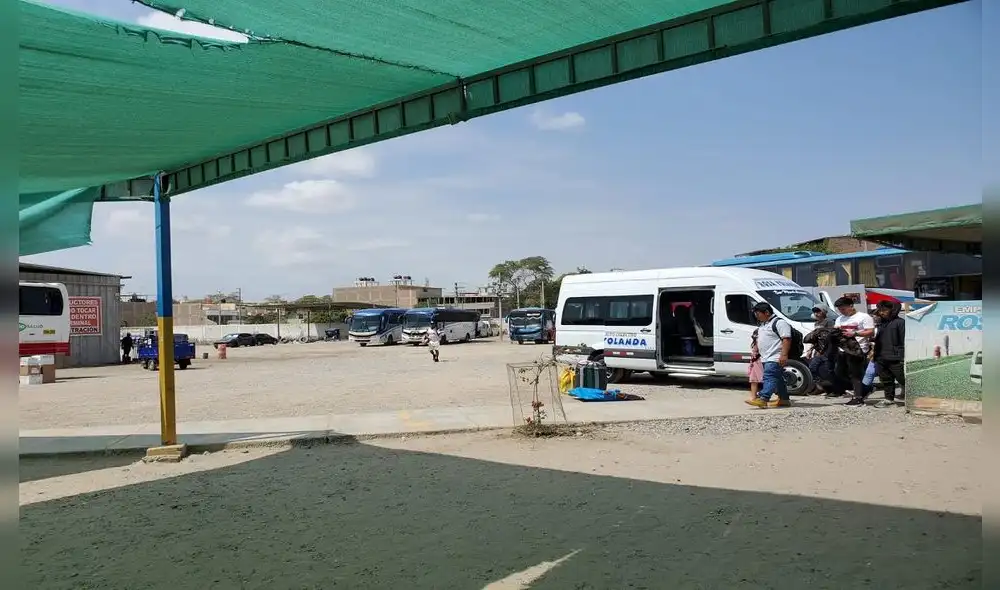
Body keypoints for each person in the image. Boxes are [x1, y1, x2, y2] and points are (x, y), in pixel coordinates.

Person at [746, 302, 792, 408]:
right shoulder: (764, 324)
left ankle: (763, 398)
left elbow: (786, 339)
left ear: (766, 312)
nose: (756, 316)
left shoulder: (779, 323)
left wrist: (784, 355)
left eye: (758, 314)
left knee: (769, 376)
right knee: (778, 379)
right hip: (766, 357)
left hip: (775, 356)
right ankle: (784, 399)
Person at [832, 296, 876, 406]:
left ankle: (858, 397)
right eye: (839, 309)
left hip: (858, 349)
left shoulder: (863, 317)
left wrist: (855, 333)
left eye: (843, 308)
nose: (841, 311)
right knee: (839, 372)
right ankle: (865, 388)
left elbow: (871, 332)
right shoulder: (840, 319)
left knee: (854, 374)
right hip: (843, 349)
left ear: (851, 306)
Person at [873, 300, 905, 407]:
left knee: (902, 379)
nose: (881, 313)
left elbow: (904, 340)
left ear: (893, 310)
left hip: (895, 357)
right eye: (880, 310)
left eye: (884, 310)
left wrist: (902, 356)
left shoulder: (900, 322)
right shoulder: (881, 323)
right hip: (881, 356)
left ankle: (915, 398)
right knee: (886, 380)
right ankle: (888, 399)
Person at [746, 328, 764, 402]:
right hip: (756, 363)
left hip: (758, 362)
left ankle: (755, 396)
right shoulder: (757, 342)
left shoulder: (758, 343)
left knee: (755, 380)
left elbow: (755, 353)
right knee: (754, 380)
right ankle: (754, 396)